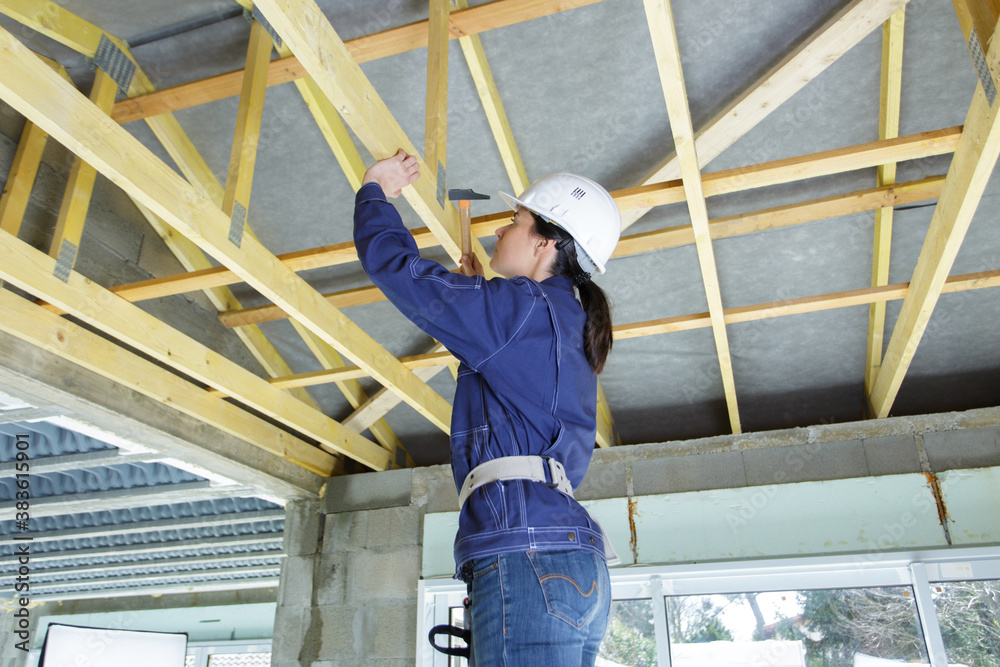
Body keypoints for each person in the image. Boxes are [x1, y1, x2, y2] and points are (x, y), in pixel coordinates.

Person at [354, 149, 621, 666]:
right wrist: (483, 303)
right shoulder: (563, 318)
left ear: (546, 242)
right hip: (566, 565)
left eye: (515, 222)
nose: (501, 231)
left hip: (530, 557)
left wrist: (375, 193)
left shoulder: (521, 312)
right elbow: (511, 381)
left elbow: (399, 271)